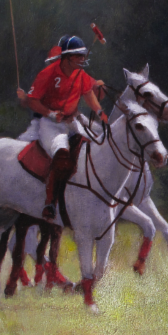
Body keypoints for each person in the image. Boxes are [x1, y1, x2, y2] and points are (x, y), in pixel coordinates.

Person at [26, 35, 108, 221]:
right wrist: (50, 114)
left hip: (72, 121)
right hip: (51, 124)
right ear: (67, 57)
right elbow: (32, 100)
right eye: (78, 55)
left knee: (97, 144)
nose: (82, 59)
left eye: (83, 55)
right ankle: (50, 202)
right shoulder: (48, 73)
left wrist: (100, 112)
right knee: (62, 155)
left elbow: (88, 94)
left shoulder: (81, 74)